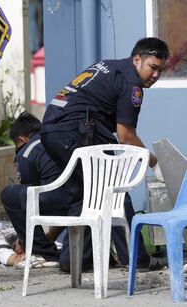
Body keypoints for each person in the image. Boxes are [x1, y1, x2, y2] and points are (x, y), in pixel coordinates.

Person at [39, 37, 169, 271]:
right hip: (73, 133)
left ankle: (76, 262)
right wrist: (155, 163)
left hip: (52, 129)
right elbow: (126, 136)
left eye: (161, 70)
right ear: (137, 59)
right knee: (114, 189)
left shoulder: (108, 65)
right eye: (153, 68)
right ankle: (136, 260)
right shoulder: (132, 85)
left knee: (87, 194)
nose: (156, 75)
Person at [1, 112, 81, 266]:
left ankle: (41, 251)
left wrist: (23, 238)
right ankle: (45, 247)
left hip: (58, 198)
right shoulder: (57, 139)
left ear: (21, 139)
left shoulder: (26, 152)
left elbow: (30, 200)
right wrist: (51, 234)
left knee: (10, 195)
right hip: (79, 197)